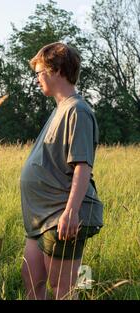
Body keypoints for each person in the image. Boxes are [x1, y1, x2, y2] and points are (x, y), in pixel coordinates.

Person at [20, 42, 103, 300]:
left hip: (61, 214)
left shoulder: (77, 110)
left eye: (39, 72)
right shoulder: (60, 109)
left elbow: (82, 166)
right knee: (30, 276)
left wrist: (71, 211)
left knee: (63, 287)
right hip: (41, 217)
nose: (36, 79)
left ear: (56, 70)